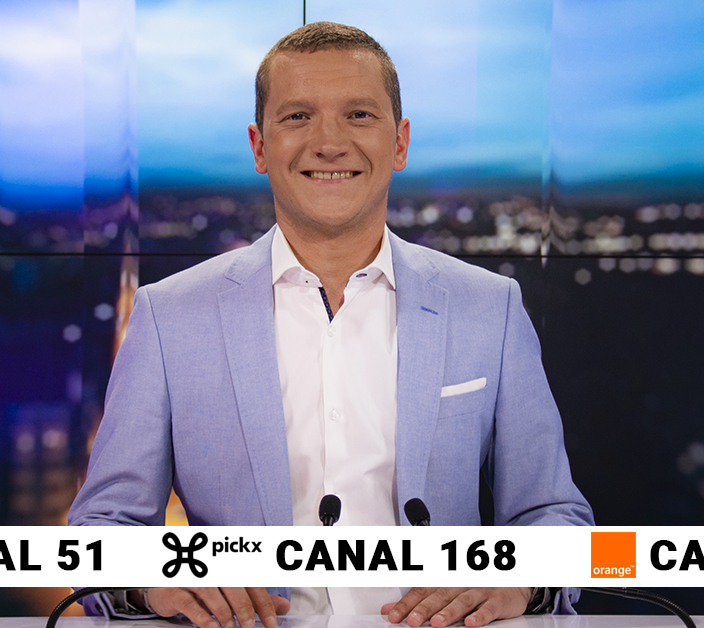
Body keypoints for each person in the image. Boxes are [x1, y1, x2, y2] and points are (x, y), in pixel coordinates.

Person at [68, 21, 593, 628]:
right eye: (297, 117)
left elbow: (557, 517)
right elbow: (102, 529)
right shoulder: (169, 316)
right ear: (258, 147)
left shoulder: (489, 308)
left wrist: (521, 581)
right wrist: (155, 583)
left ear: (400, 143)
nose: (329, 143)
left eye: (359, 115)